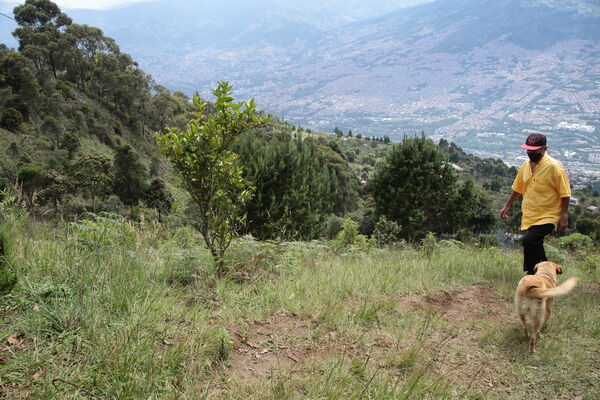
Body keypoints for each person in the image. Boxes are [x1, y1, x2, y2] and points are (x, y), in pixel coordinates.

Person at [500, 133, 571, 274]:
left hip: (549, 215)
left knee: (529, 241)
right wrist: (507, 205)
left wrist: (564, 215)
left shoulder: (555, 167)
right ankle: (533, 274)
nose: (531, 153)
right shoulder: (525, 166)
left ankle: (550, 270)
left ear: (544, 148)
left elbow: (565, 193)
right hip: (531, 215)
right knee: (530, 244)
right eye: (528, 150)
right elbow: (517, 188)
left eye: (534, 150)